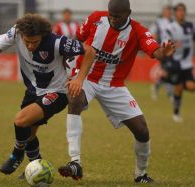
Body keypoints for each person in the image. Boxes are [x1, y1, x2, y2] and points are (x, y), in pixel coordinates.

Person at [0, 13, 95, 177]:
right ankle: (36, 167)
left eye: (35, 42)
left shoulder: (58, 42)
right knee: (29, 134)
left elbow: (89, 51)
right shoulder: (16, 32)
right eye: (27, 42)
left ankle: (17, 153)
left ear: (43, 36)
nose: (30, 46)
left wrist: (79, 79)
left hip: (57, 93)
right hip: (32, 91)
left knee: (21, 120)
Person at [58, 0, 175, 183]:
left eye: (117, 16)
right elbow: (76, 41)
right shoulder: (96, 18)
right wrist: (70, 69)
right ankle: (75, 162)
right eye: (110, 14)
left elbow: (155, 51)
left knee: (142, 131)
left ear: (128, 13)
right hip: (86, 77)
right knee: (74, 99)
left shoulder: (137, 31)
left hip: (114, 85)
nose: (112, 19)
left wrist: (164, 53)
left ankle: (141, 174)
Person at [164, 3, 195, 122]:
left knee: (191, 87)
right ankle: (176, 114)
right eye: (179, 11)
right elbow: (166, 43)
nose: (181, 13)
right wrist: (171, 46)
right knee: (179, 88)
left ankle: (171, 85)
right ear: (175, 13)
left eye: (183, 10)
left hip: (187, 63)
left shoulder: (191, 26)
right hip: (176, 63)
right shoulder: (170, 27)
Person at [149, 5, 174, 100]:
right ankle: (170, 93)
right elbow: (152, 34)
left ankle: (156, 87)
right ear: (163, 12)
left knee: (169, 71)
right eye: (167, 10)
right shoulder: (158, 22)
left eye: (170, 10)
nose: (168, 12)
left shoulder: (173, 22)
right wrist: (156, 47)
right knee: (166, 71)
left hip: (173, 50)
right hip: (163, 49)